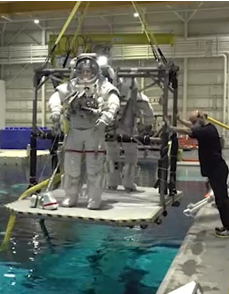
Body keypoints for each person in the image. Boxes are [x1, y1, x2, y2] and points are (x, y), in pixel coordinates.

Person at [48, 53, 120, 210]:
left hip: (94, 131)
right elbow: (56, 97)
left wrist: (107, 117)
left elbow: (114, 99)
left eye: (89, 71)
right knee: (71, 168)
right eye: (83, 71)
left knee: (94, 169)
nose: (86, 75)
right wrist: (55, 110)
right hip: (74, 131)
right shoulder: (71, 85)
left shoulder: (102, 85)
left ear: (95, 71)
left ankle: (94, 199)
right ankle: (70, 196)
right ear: (78, 71)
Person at [173, 111, 229, 238]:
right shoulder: (207, 128)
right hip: (215, 170)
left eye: (194, 121)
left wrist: (172, 128)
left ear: (201, 118)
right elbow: (192, 127)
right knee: (220, 201)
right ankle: (227, 226)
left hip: (217, 170)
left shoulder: (207, 131)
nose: (193, 124)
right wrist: (180, 120)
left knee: (223, 200)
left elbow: (190, 131)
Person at [107, 77, 156, 192]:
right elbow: (149, 115)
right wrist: (145, 126)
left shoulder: (109, 96)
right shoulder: (139, 98)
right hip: (129, 132)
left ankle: (112, 183)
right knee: (130, 159)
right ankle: (127, 183)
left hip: (111, 132)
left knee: (112, 158)